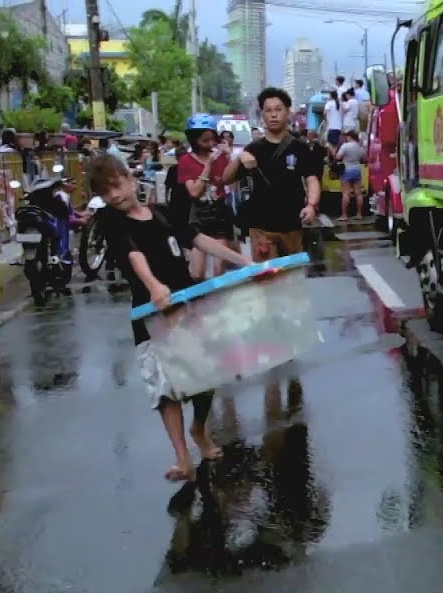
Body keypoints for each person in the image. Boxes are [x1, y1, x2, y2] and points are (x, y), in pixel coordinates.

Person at [87, 154, 251, 481]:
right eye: (107, 192)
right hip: (151, 314)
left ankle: (199, 429)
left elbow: (197, 239)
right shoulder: (110, 220)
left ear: (130, 180)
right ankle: (182, 458)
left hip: (187, 306)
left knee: (205, 381)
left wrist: (241, 262)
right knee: (165, 389)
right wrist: (152, 285)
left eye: (117, 186)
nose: (115, 196)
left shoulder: (163, 213)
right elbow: (132, 252)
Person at [223, 87, 321, 262]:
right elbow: (226, 179)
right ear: (262, 116)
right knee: (268, 281)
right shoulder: (253, 148)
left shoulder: (300, 147)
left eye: (278, 109)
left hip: (293, 224)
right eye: (268, 111)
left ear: (288, 112)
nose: (273, 115)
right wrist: (239, 158)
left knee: (292, 280)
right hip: (261, 227)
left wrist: (311, 205)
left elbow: (311, 179)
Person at [177, 114, 236, 276]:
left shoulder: (221, 157)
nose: (210, 144)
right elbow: (194, 192)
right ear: (194, 140)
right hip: (199, 216)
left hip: (220, 214)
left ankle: (219, 300)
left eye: (212, 139)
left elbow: (232, 183)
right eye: (204, 140)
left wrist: (229, 157)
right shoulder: (186, 161)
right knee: (197, 274)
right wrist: (208, 164)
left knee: (219, 270)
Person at [335, 130, 366, 221]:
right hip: (357, 170)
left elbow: (338, 157)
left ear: (350, 137)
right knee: (358, 193)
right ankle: (359, 214)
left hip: (347, 170)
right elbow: (363, 159)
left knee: (346, 193)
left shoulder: (345, 146)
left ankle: (344, 215)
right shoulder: (360, 147)